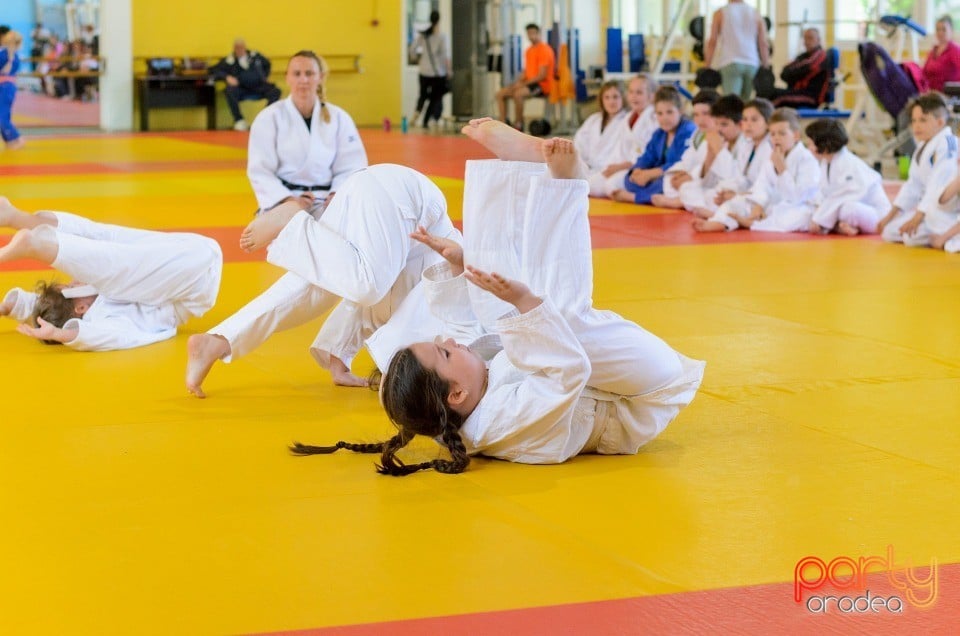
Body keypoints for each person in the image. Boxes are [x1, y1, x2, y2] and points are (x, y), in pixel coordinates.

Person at [289, 120, 705, 475]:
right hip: (645, 393)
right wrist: (525, 302)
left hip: (605, 380)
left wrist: (460, 265)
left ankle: (520, 173)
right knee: (559, 315)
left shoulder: (451, 402)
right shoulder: (497, 423)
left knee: (490, 300)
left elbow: (462, 328)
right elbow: (567, 371)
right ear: (456, 394)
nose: (449, 343)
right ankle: (567, 183)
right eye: (445, 355)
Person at [184, 164, 462, 398]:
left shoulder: (414, 291)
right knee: (368, 285)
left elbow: (370, 310)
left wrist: (339, 357)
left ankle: (216, 341)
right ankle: (294, 220)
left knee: (315, 286)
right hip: (401, 199)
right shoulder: (460, 314)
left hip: (375, 193)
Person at [0, 197, 222, 350]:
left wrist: (7, 308)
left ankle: (17, 218)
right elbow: (104, 337)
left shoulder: (84, 302)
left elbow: (46, 305)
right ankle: (35, 246)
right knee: (113, 266)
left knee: (100, 236)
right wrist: (60, 335)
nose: (73, 280)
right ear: (80, 308)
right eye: (70, 287)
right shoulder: (103, 318)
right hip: (194, 282)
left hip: (184, 251)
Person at [247, 50, 368, 215]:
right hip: (282, 203)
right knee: (254, 238)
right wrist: (289, 200)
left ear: (320, 77)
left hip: (328, 202)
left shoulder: (339, 118)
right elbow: (260, 170)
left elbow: (352, 165)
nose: (303, 80)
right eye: (297, 74)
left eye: (309, 73)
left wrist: (337, 194)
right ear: (287, 77)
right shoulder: (269, 117)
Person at [694, 107, 818, 233]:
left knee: (798, 216)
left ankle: (752, 224)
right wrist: (758, 206)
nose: (776, 138)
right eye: (773, 134)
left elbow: (798, 197)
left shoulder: (806, 159)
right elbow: (762, 186)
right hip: (770, 205)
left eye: (782, 133)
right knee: (737, 202)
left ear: (796, 135)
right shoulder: (774, 156)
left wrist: (782, 170)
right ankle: (719, 222)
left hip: (794, 207)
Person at [878, 92, 959, 246]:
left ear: (940, 122)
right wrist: (890, 215)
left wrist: (917, 217)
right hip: (928, 211)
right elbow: (912, 185)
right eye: (914, 120)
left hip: (946, 213)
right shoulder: (923, 146)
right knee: (889, 231)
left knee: (910, 238)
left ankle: (945, 235)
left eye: (923, 120)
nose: (916, 125)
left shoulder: (948, 145)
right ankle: (931, 232)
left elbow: (938, 185)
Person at [659, 94, 749, 214]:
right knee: (688, 189)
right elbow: (708, 181)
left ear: (740, 125)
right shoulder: (721, 141)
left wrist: (719, 151)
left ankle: (707, 210)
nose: (719, 129)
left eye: (724, 125)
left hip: (741, 192)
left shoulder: (745, 144)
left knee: (717, 196)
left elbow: (738, 181)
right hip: (719, 190)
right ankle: (706, 208)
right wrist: (711, 155)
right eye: (716, 124)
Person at [611, 86, 697, 204]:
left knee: (668, 183)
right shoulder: (659, 133)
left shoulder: (688, 130)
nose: (664, 118)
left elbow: (679, 163)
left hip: (674, 176)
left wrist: (650, 174)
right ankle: (647, 195)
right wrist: (637, 170)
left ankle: (635, 197)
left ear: (680, 111)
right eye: (659, 113)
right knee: (628, 180)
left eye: (669, 112)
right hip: (656, 177)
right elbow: (648, 156)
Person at [806, 119, 889, 236]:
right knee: (811, 209)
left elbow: (843, 196)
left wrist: (819, 220)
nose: (808, 148)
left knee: (848, 210)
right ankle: (840, 226)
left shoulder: (849, 164)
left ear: (825, 144)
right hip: (849, 208)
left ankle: (838, 226)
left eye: (810, 144)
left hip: (877, 216)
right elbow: (825, 193)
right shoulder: (827, 162)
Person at [586, 74, 659, 198]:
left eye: (639, 93)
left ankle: (642, 196)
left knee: (608, 186)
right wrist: (611, 167)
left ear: (651, 96)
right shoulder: (628, 118)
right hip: (622, 167)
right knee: (589, 184)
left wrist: (621, 167)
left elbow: (650, 155)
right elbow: (619, 151)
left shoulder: (654, 119)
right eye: (631, 92)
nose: (634, 97)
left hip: (640, 169)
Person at [209, 38, 282, 131]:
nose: (239, 50)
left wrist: (264, 76)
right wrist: (227, 77)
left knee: (275, 91)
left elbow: (267, 64)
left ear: (245, 47)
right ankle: (239, 120)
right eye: (237, 48)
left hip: (258, 86)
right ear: (234, 48)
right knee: (229, 90)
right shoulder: (229, 60)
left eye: (241, 47)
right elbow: (213, 70)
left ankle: (264, 120)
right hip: (241, 88)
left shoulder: (255, 56)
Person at [704, 0, 770, 100]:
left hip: (730, 62)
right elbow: (763, 43)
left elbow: (712, 41)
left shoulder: (720, 13)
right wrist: (766, 66)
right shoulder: (755, 13)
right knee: (746, 103)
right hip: (751, 64)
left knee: (731, 104)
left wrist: (707, 65)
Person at [495, 23, 556, 131]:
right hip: (529, 83)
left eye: (533, 33)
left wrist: (522, 84)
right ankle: (503, 122)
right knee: (500, 94)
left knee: (518, 94)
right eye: (529, 33)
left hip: (542, 85)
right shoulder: (529, 50)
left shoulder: (545, 50)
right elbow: (526, 72)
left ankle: (519, 123)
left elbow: (541, 76)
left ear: (538, 34)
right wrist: (516, 83)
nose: (531, 36)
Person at [573, 80, 627, 197]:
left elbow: (623, 151)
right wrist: (582, 163)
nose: (611, 101)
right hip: (589, 167)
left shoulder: (626, 121)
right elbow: (579, 144)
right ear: (601, 100)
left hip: (610, 169)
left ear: (623, 98)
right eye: (607, 97)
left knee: (591, 186)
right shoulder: (593, 120)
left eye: (615, 97)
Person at [408, 10, 451, 130]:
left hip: (423, 71)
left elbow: (412, 50)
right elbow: (446, 56)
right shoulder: (442, 37)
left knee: (422, 95)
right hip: (438, 73)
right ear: (439, 20)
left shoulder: (424, 35)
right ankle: (426, 121)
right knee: (434, 99)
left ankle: (417, 111)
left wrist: (417, 59)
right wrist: (449, 71)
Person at [770, 28, 829, 108]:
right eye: (805, 38)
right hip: (798, 92)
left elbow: (806, 68)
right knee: (771, 92)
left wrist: (793, 74)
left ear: (818, 40)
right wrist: (794, 74)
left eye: (810, 38)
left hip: (811, 97)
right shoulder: (802, 57)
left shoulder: (821, 56)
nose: (807, 42)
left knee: (778, 98)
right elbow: (784, 72)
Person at [922, 16, 960, 93]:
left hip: (947, 94)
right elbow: (924, 73)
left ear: (951, 31)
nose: (940, 32)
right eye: (938, 29)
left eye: (944, 29)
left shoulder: (955, 50)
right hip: (930, 93)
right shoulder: (933, 51)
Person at [0, 30, 24, 150]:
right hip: (7, 87)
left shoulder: (10, 56)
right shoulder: (9, 55)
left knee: (2, 116)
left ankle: (17, 138)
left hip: (6, 87)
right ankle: (9, 140)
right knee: (4, 115)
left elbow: (6, 71)